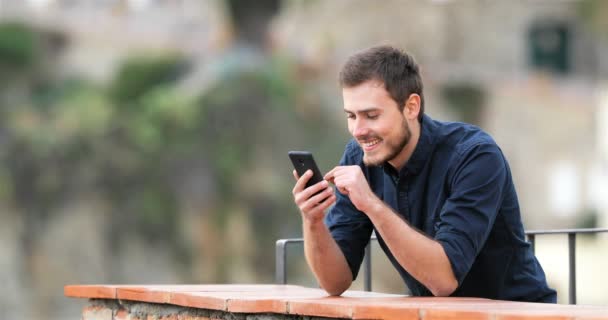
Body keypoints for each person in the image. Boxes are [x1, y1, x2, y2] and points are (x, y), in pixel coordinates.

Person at [291, 45, 557, 302]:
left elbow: (443, 280)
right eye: (351, 116)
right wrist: (313, 221)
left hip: (518, 312)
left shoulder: (475, 156)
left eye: (371, 115)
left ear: (411, 107)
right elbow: (335, 282)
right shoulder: (358, 158)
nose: (358, 130)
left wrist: (371, 203)